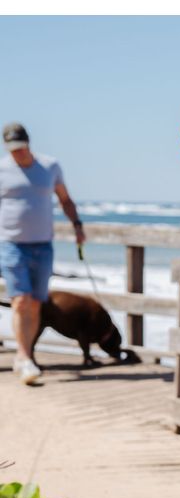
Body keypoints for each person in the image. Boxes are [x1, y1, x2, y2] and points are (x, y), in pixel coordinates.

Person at [1, 122, 86, 385]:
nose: (17, 153)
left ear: (28, 143)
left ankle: (24, 357)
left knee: (36, 303)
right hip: (10, 244)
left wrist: (77, 226)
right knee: (21, 300)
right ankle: (25, 358)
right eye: (12, 149)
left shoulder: (50, 166)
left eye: (20, 148)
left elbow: (65, 199)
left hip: (43, 245)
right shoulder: (2, 168)